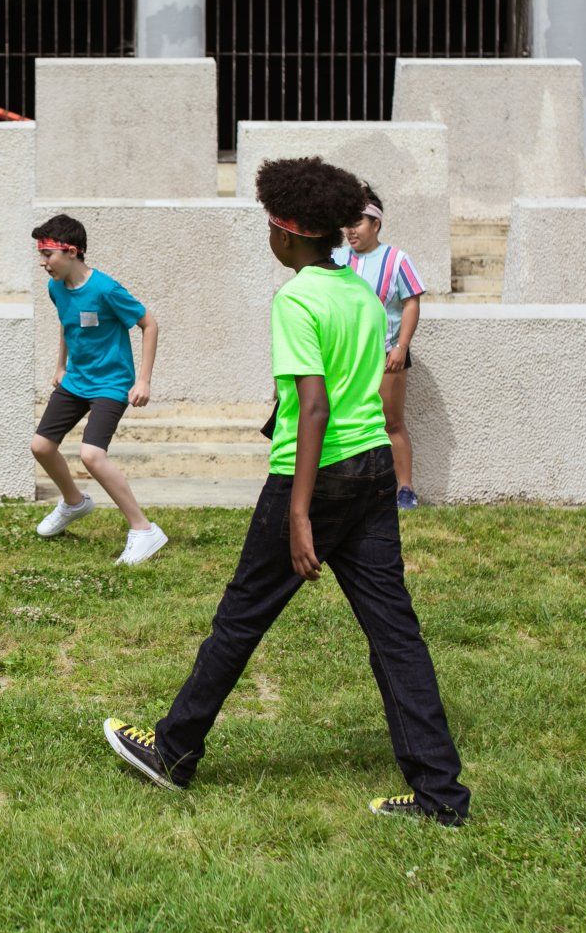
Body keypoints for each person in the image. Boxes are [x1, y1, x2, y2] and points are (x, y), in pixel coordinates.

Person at [100, 157, 469, 826]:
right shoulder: (358, 291)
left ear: (290, 233)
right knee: (396, 634)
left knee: (241, 617)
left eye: (269, 226)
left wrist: (298, 513)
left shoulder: (296, 299)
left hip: (315, 475)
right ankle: (441, 795)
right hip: (375, 470)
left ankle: (174, 751)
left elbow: (315, 406)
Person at [28, 213, 167, 567]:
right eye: (40, 255)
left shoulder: (106, 289)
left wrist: (144, 380)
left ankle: (143, 529)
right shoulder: (56, 288)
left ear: (71, 251)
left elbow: (148, 324)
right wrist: (60, 365)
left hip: (111, 382)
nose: (43, 263)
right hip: (76, 379)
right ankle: (74, 502)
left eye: (47, 254)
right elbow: (66, 324)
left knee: (92, 454)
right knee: (41, 446)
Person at [335, 184, 426, 509]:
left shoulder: (396, 259)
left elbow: (411, 302)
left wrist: (401, 346)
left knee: (391, 422)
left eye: (357, 221)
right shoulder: (337, 258)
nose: (350, 229)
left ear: (376, 224)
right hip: (347, 358)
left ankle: (404, 489)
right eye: (347, 222)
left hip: (387, 355)